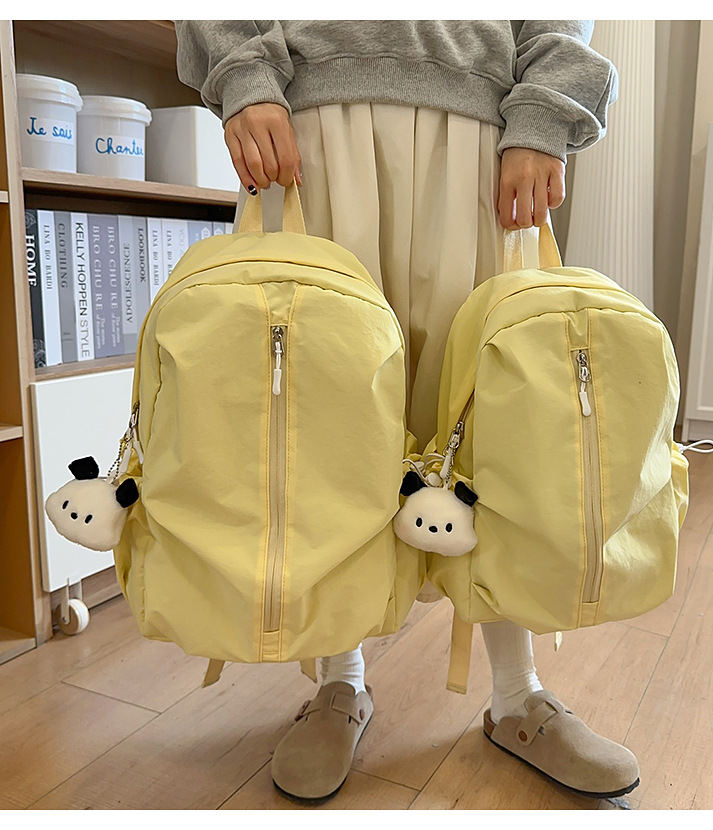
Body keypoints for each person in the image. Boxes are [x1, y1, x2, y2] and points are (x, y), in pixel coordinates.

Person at [175, 20, 637, 803]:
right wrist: (243, 73)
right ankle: (341, 678)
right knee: (323, 420)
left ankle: (517, 692)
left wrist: (546, 109)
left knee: (500, 423)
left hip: (483, 137)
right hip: (313, 128)